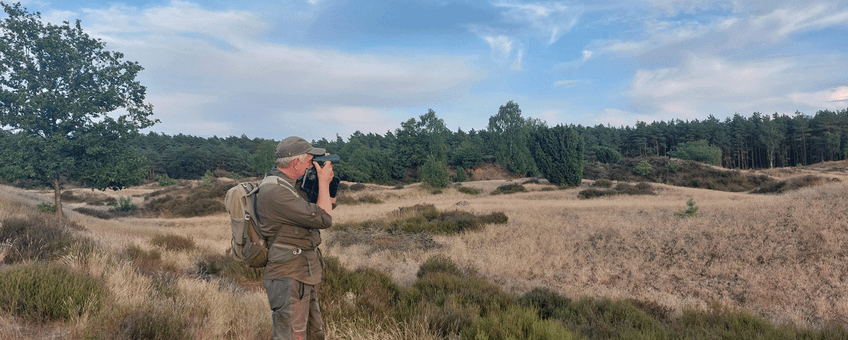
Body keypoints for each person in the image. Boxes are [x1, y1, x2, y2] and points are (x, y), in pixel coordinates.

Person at [255, 136, 335, 340]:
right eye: (309, 160)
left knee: (313, 333)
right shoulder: (275, 192)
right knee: (293, 336)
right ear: (295, 162)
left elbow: (327, 204)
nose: (311, 164)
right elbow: (324, 218)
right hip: (288, 275)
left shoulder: (291, 186)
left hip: (301, 272)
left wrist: (325, 183)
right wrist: (324, 182)